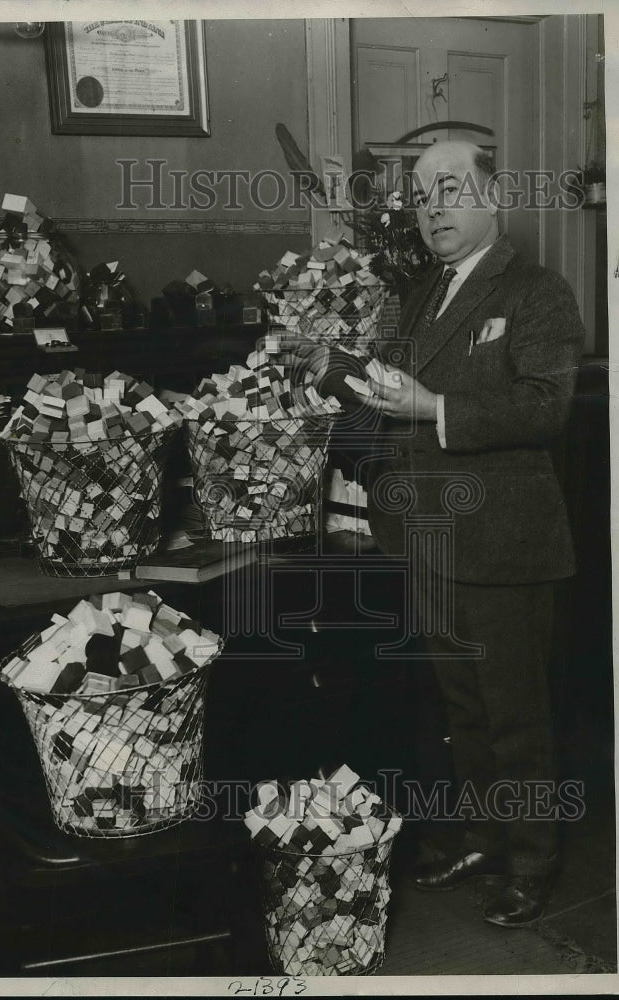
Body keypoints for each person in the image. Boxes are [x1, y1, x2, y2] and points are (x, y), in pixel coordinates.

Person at [293, 140, 585, 926]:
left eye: (449, 190)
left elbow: (544, 408)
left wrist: (433, 410)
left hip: (505, 545)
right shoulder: (421, 293)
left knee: (515, 715)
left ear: (493, 197)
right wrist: (341, 376)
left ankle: (532, 862)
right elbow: (392, 394)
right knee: (462, 710)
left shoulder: (537, 290)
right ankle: (485, 839)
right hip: (428, 539)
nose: (432, 209)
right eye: (421, 197)